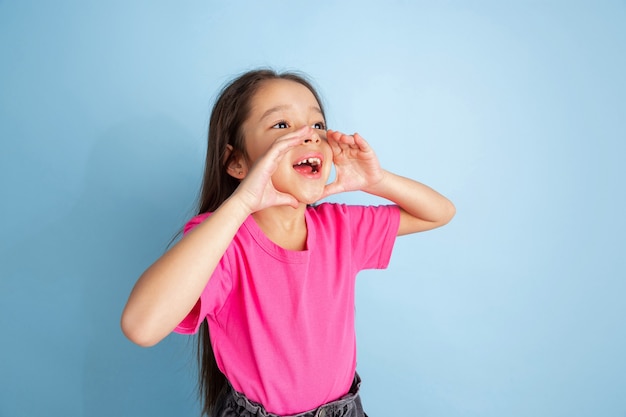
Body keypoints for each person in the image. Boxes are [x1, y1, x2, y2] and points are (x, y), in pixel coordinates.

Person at [121, 69, 455, 417]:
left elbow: (439, 212)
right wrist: (241, 204)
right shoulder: (221, 242)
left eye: (317, 125)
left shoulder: (339, 227)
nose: (308, 136)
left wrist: (377, 180)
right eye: (282, 126)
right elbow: (141, 326)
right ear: (236, 162)